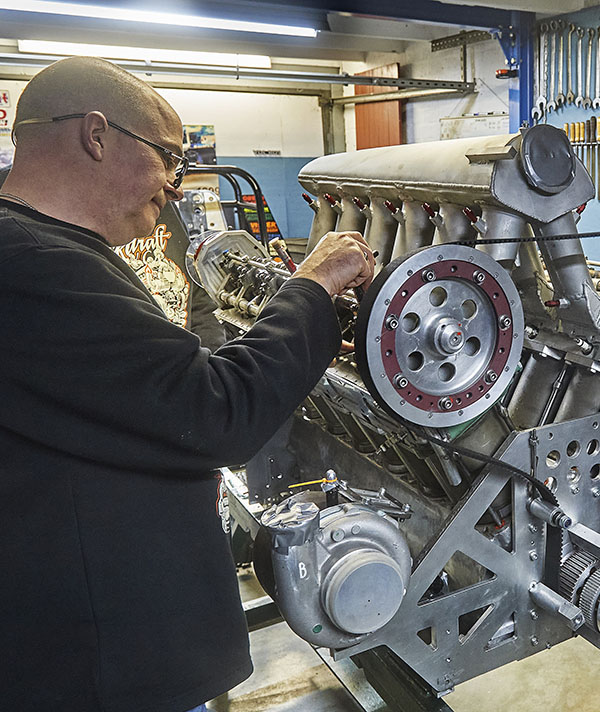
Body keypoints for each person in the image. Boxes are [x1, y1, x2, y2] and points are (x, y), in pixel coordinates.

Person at [0, 57, 375, 711]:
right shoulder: (38, 266)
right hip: (106, 666)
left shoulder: (48, 252)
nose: (175, 185)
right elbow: (216, 412)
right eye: (167, 157)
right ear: (96, 136)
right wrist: (312, 288)